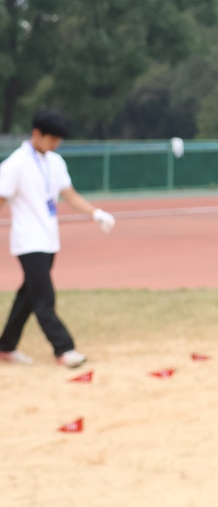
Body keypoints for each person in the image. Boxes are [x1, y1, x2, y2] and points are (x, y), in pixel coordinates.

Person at [0, 108, 116, 368]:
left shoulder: (55, 162)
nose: (55, 144)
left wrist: (96, 213)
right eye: (52, 138)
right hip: (28, 241)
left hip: (49, 239)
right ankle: (64, 349)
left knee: (29, 295)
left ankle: (5, 346)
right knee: (44, 297)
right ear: (36, 133)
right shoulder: (15, 164)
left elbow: (69, 194)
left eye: (59, 140)